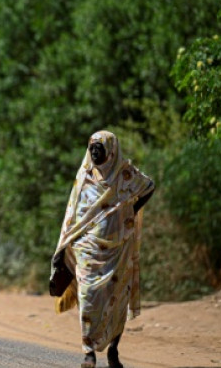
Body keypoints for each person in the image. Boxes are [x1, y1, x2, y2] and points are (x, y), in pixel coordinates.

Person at [52, 131, 155, 368]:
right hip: (86, 249)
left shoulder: (125, 174)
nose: (94, 153)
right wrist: (62, 247)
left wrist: (130, 210)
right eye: (92, 148)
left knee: (117, 299)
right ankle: (88, 352)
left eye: (99, 148)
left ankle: (113, 350)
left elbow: (149, 187)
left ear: (111, 150)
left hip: (119, 250)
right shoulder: (84, 176)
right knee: (88, 296)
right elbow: (72, 214)